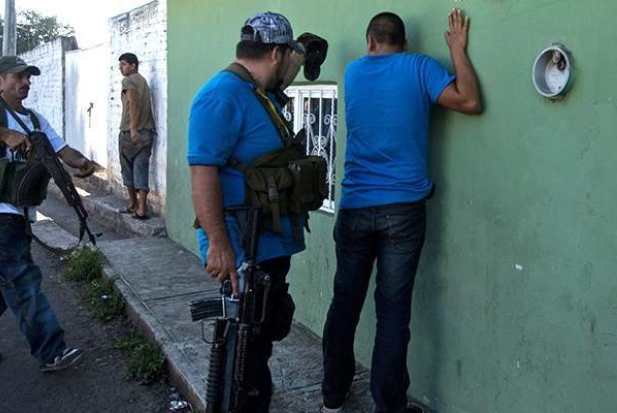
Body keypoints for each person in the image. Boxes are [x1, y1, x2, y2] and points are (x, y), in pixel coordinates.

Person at [320, 9, 482, 413]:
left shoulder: (354, 73)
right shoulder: (419, 67)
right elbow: (470, 101)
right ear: (405, 44)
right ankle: (389, 406)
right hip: (402, 211)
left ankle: (332, 398)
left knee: (345, 303)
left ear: (371, 41)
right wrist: (458, 50)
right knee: (393, 311)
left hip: (355, 206)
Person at [0, 56, 95, 371]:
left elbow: (63, 151)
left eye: (27, 77)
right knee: (23, 281)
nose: (24, 82)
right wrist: (1, 134)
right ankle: (51, 351)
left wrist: (84, 164)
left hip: (19, 215)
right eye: (17, 77)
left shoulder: (35, 119)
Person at [187, 11, 306, 412]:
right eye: (288, 56)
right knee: (243, 360)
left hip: (267, 244)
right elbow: (203, 171)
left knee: (258, 348)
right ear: (276, 52)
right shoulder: (222, 94)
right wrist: (219, 244)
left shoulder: (258, 92)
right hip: (244, 248)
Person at [117, 52, 155, 219]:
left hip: (130, 132)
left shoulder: (128, 81)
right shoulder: (143, 81)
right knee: (141, 168)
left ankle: (133, 204)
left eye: (124, 64)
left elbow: (133, 103)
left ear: (133, 65)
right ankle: (142, 208)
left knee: (127, 168)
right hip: (148, 131)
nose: (121, 67)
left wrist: (132, 129)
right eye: (120, 65)